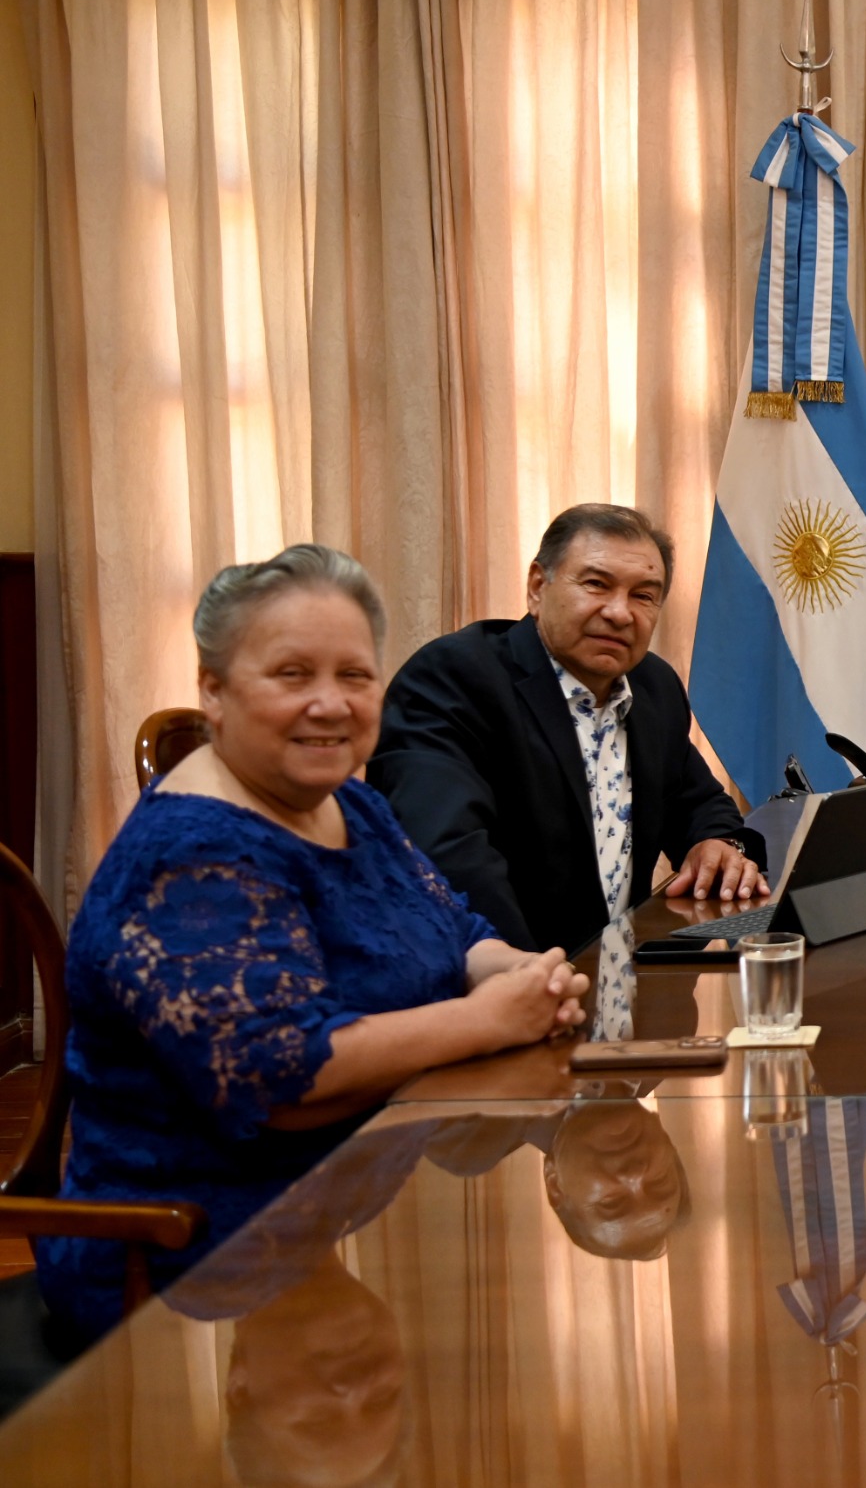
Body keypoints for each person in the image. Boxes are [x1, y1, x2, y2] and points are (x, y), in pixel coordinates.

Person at [39, 546, 591, 1344]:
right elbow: (279, 1077)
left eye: (355, 675)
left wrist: (520, 971)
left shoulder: (353, 805)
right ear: (213, 689)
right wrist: (489, 1019)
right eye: (292, 674)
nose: (330, 704)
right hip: (188, 1270)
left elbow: (454, 927)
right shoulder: (192, 852)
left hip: (344, 1211)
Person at [370, 504, 767, 953]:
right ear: (538, 587)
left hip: (625, 978)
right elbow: (448, 854)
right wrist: (531, 973)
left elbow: (695, 799)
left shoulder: (652, 686)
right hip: (502, 976)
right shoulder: (455, 678)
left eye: (643, 595)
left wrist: (717, 842)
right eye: (596, 584)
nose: (619, 613)